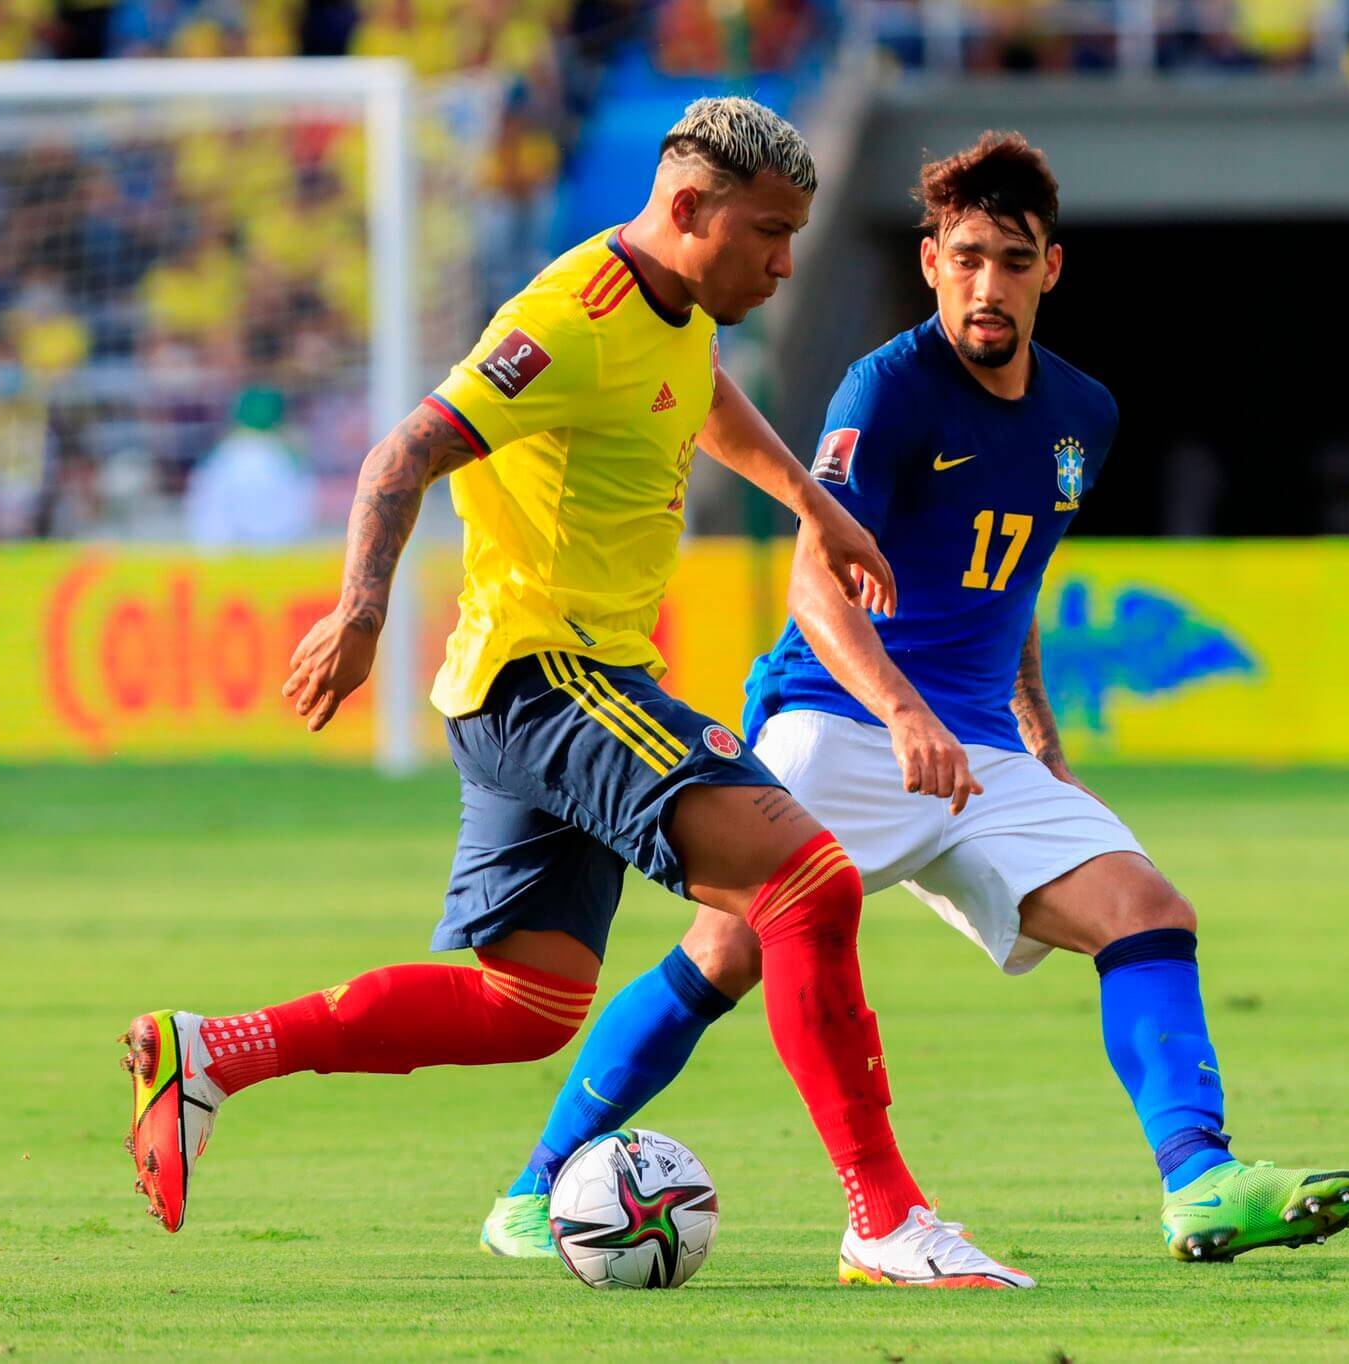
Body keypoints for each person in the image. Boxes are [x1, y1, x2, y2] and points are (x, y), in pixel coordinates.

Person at [120, 97, 1031, 1291]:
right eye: (765, 232)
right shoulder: (565, 319)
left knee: (528, 1001)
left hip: (529, 688)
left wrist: (814, 503)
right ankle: (884, 1212)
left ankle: (212, 1053)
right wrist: (359, 607)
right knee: (805, 881)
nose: (783, 261)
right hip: (553, 673)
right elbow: (404, 451)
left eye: (794, 234)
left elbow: (701, 393)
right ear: (687, 206)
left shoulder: (680, 308)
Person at [479, 132, 1349, 1269]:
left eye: (1011, 260)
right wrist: (902, 710)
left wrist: (1038, 733)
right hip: (838, 723)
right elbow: (814, 578)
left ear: (1050, 268)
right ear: (927, 262)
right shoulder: (888, 388)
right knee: (721, 957)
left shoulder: (1080, 415)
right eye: (963, 258)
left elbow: (1010, 582)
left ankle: (1199, 1181)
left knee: (1148, 910)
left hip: (979, 749)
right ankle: (529, 1187)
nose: (985, 285)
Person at [184, 386, 316, 546]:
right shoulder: (290, 461)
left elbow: (204, 518)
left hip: (224, 559)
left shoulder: (218, 458)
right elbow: (300, 517)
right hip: (278, 559)